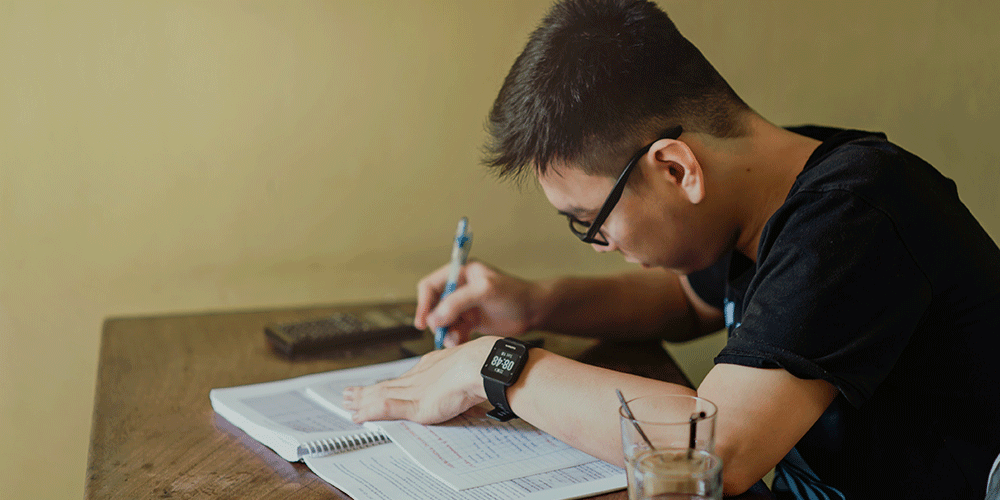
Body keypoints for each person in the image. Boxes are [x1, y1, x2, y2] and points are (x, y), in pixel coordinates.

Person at [342, 0, 1000, 498]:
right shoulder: (779, 182)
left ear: (677, 169)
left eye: (590, 221)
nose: (599, 246)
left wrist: (494, 366)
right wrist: (535, 303)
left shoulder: (855, 213)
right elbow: (690, 303)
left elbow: (717, 445)